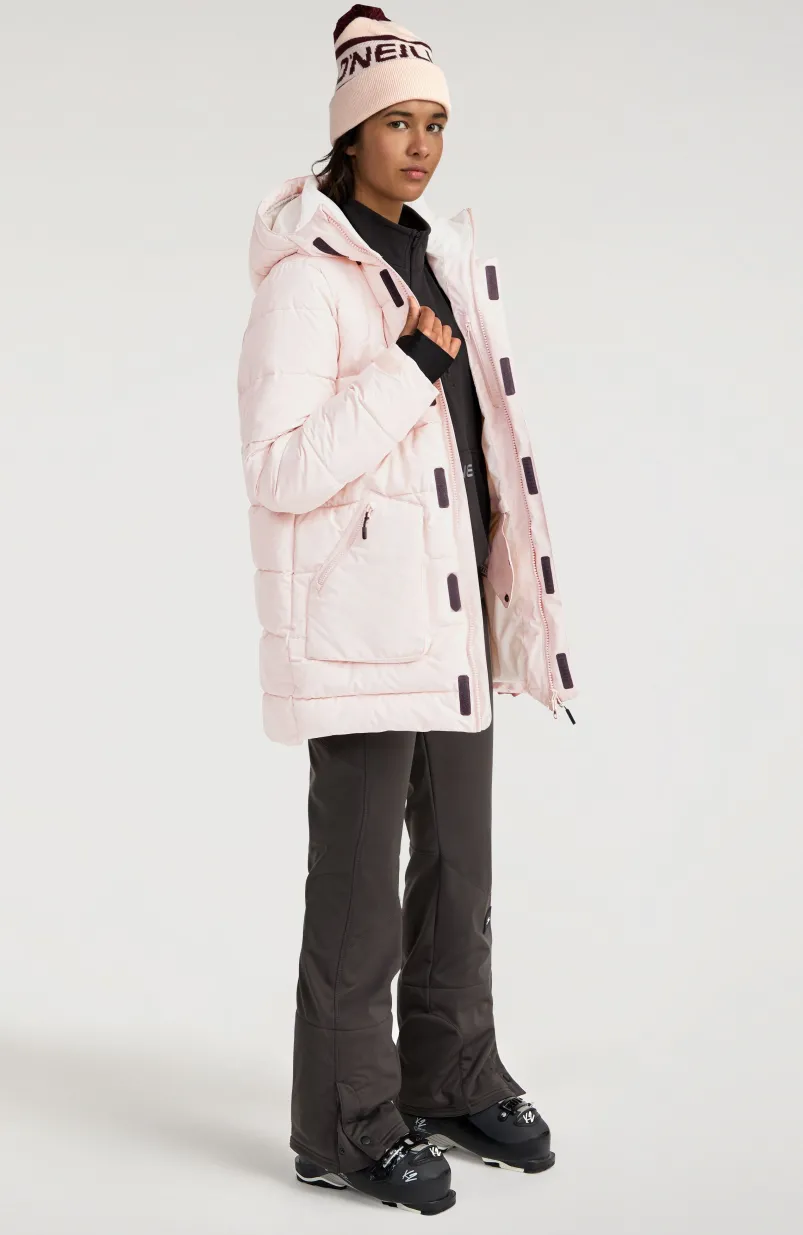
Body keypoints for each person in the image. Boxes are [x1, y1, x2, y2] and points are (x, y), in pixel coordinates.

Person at [236, 4, 577, 1215]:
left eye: (435, 123)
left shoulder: (441, 263)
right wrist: (406, 368)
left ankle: (449, 1073)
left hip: (456, 615)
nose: (422, 145)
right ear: (349, 134)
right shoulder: (307, 283)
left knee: (458, 868)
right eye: (397, 124)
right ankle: (342, 1122)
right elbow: (278, 466)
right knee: (356, 890)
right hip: (359, 626)